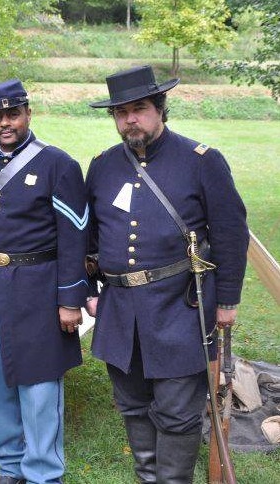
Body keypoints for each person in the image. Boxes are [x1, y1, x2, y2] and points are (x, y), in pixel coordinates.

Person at [85, 65, 248, 483]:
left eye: (138, 109)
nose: (129, 120)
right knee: (134, 407)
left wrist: (227, 301)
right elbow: (87, 240)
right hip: (121, 311)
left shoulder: (202, 161)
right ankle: (147, 476)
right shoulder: (102, 167)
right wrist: (89, 287)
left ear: (160, 109)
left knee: (177, 414)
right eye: (121, 113)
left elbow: (230, 234)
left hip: (180, 308)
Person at [0, 79, 87, 484]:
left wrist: (70, 299)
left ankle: (43, 471)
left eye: (12, 114)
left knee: (39, 386)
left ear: (28, 113)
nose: (5, 124)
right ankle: (10, 466)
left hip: (39, 288)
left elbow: (74, 236)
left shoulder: (58, 165)